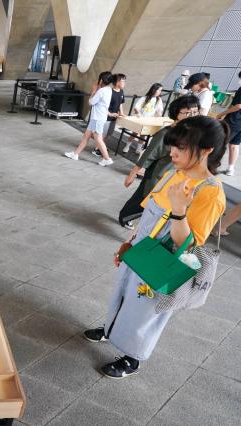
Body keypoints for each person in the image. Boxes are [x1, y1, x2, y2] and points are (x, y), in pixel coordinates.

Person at [85, 115, 227, 379]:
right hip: (142, 247)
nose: (172, 152)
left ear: (207, 150)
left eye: (181, 147)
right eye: (173, 145)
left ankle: (133, 357)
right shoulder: (173, 173)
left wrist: (179, 210)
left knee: (147, 309)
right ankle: (111, 329)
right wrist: (129, 242)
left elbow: (188, 244)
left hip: (167, 260)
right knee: (125, 293)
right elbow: (148, 212)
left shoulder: (210, 191)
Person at [119, 95, 200, 229]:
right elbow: (149, 155)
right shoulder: (166, 134)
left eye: (195, 111)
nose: (193, 115)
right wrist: (132, 174)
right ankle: (125, 215)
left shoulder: (190, 132)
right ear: (177, 114)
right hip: (157, 175)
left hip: (173, 177)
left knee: (155, 201)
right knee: (143, 198)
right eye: (188, 112)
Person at [65, 72, 114, 166]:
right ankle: (75, 154)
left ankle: (107, 158)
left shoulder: (101, 91)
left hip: (97, 118)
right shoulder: (108, 89)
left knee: (98, 139)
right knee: (86, 136)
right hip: (98, 117)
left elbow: (91, 102)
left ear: (101, 80)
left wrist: (94, 91)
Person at [123, 83, 164, 154]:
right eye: (159, 90)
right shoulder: (144, 98)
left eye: (161, 90)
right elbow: (136, 107)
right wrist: (138, 113)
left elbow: (159, 110)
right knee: (134, 133)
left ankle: (138, 148)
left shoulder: (158, 100)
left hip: (148, 121)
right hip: (140, 119)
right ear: (154, 89)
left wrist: (159, 114)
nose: (160, 92)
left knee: (143, 135)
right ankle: (127, 146)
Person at [216, 71, 241, 176]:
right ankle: (231, 169)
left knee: (221, 142)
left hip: (234, 120)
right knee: (235, 145)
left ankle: (212, 165)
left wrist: (221, 114)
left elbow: (238, 105)